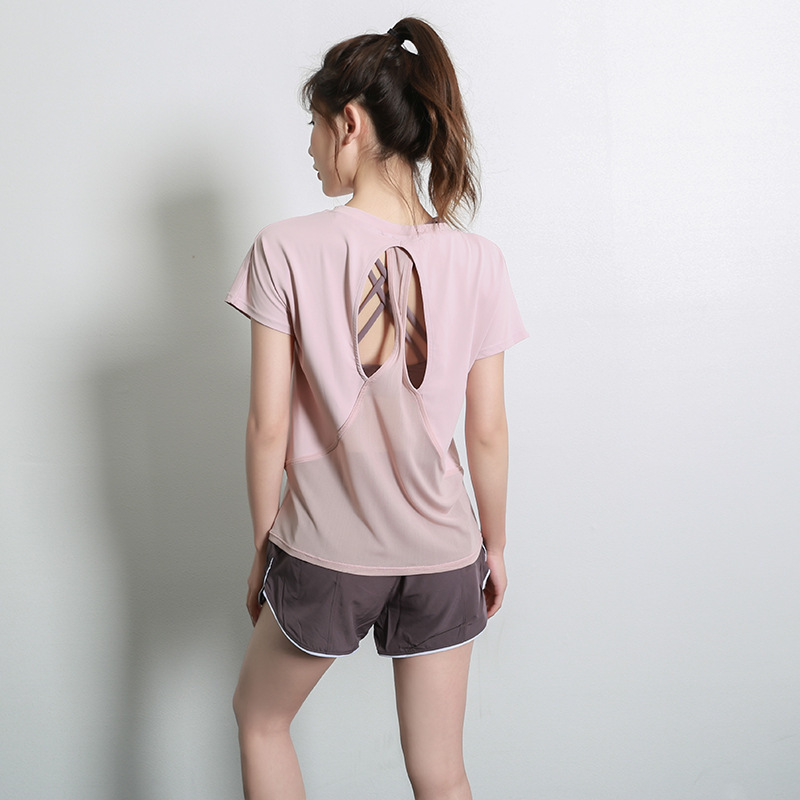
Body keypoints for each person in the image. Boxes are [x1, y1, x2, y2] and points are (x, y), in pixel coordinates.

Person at [226, 17, 528, 800]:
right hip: (444, 552)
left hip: (326, 550)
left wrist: (263, 547)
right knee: (440, 770)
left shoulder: (283, 249)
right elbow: (488, 432)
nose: (310, 147)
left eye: (315, 125)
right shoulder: (481, 260)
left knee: (260, 721)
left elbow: (266, 425)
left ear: (350, 123)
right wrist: (494, 547)